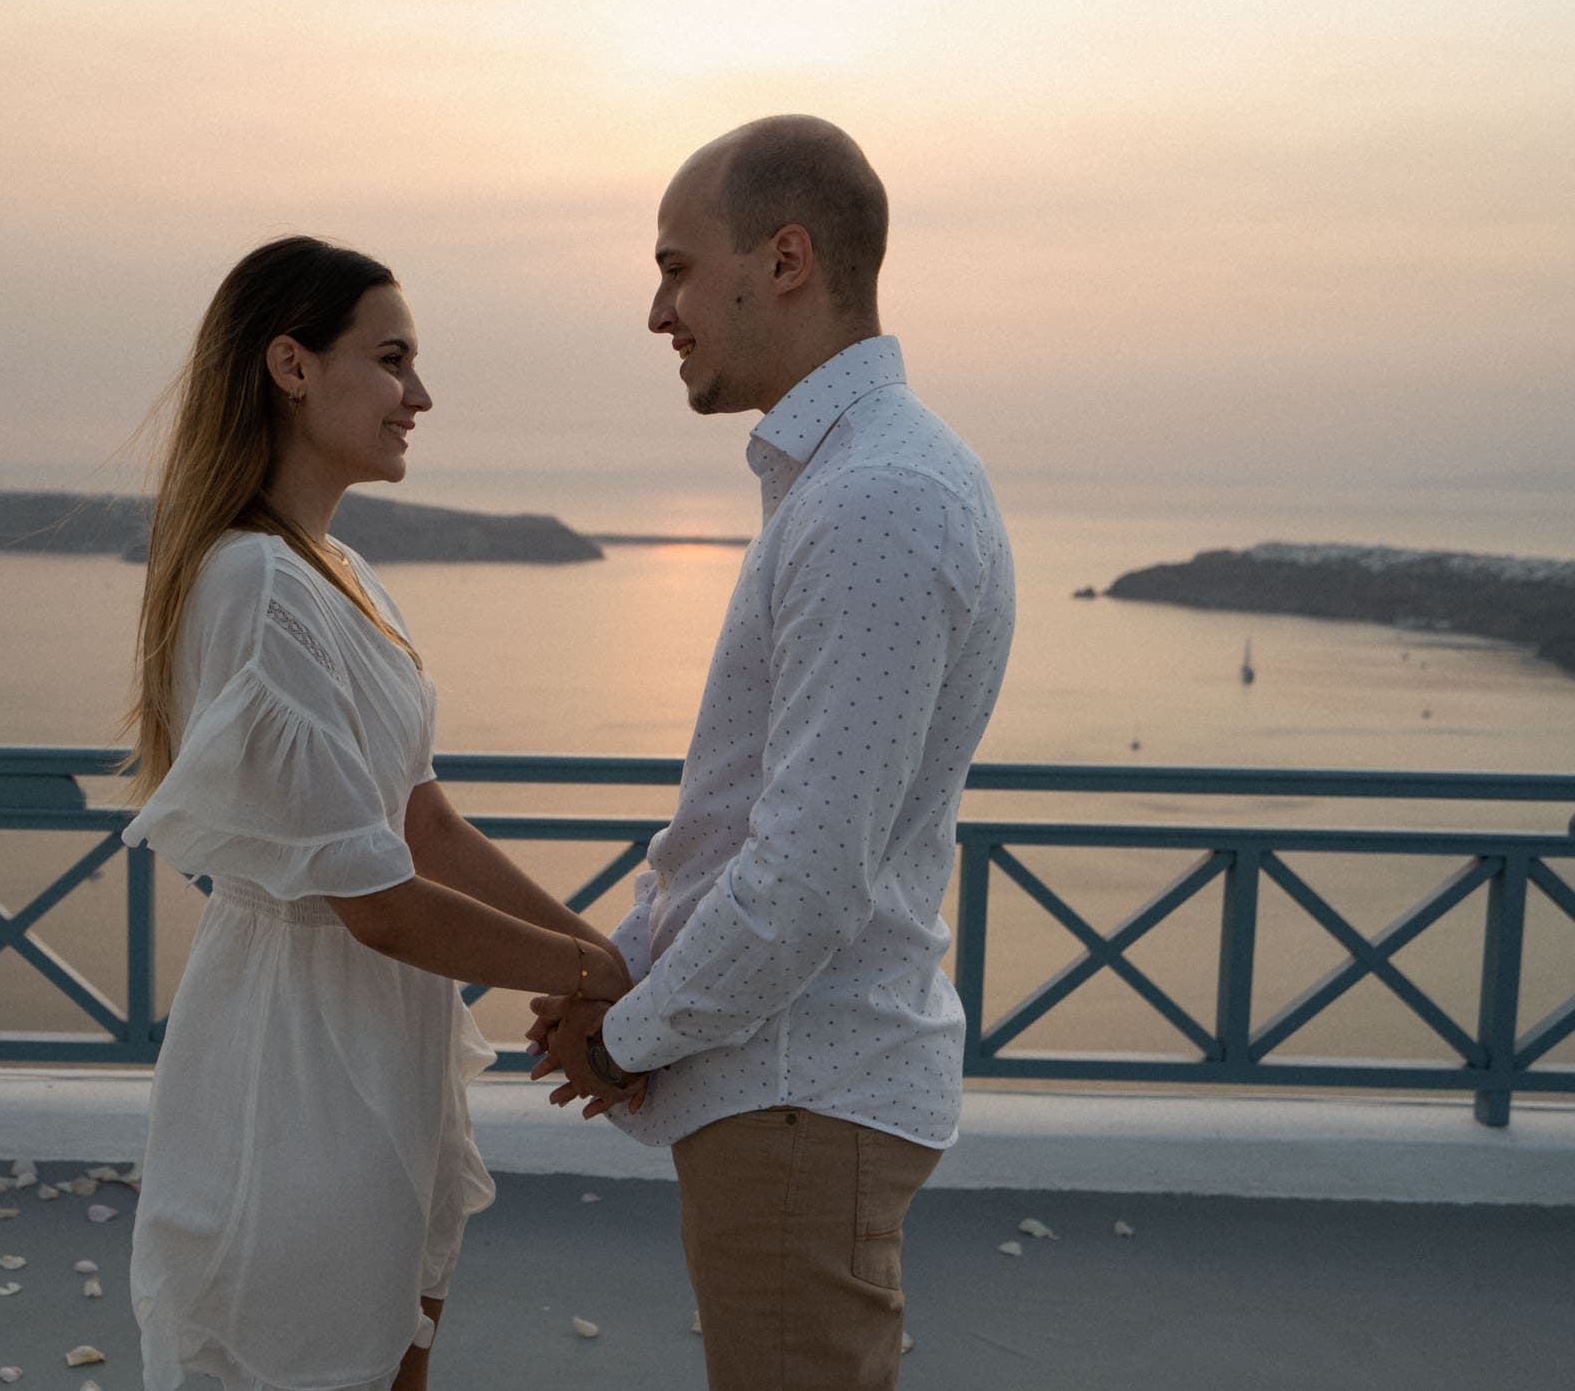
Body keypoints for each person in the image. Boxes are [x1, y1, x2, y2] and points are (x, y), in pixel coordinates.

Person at [530, 115, 1017, 1391]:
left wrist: (630, 1033)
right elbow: (746, 816)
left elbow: (803, 873)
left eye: (677, 266)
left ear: (785, 258)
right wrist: (624, 965)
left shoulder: (875, 499)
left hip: (800, 1091)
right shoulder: (853, 482)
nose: (657, 311)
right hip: (791, 1090)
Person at [119, 235, 631, 1391]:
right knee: (300, 1359)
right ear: (290, 365)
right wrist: (595, 985)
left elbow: (426, 828)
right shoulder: (253, 583)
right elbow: (382, 907)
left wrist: (602, 958)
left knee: (393, 1353)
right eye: (392, 359)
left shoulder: (336, 572)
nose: (420, 396)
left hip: (378, 1044)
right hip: (297, 1057)